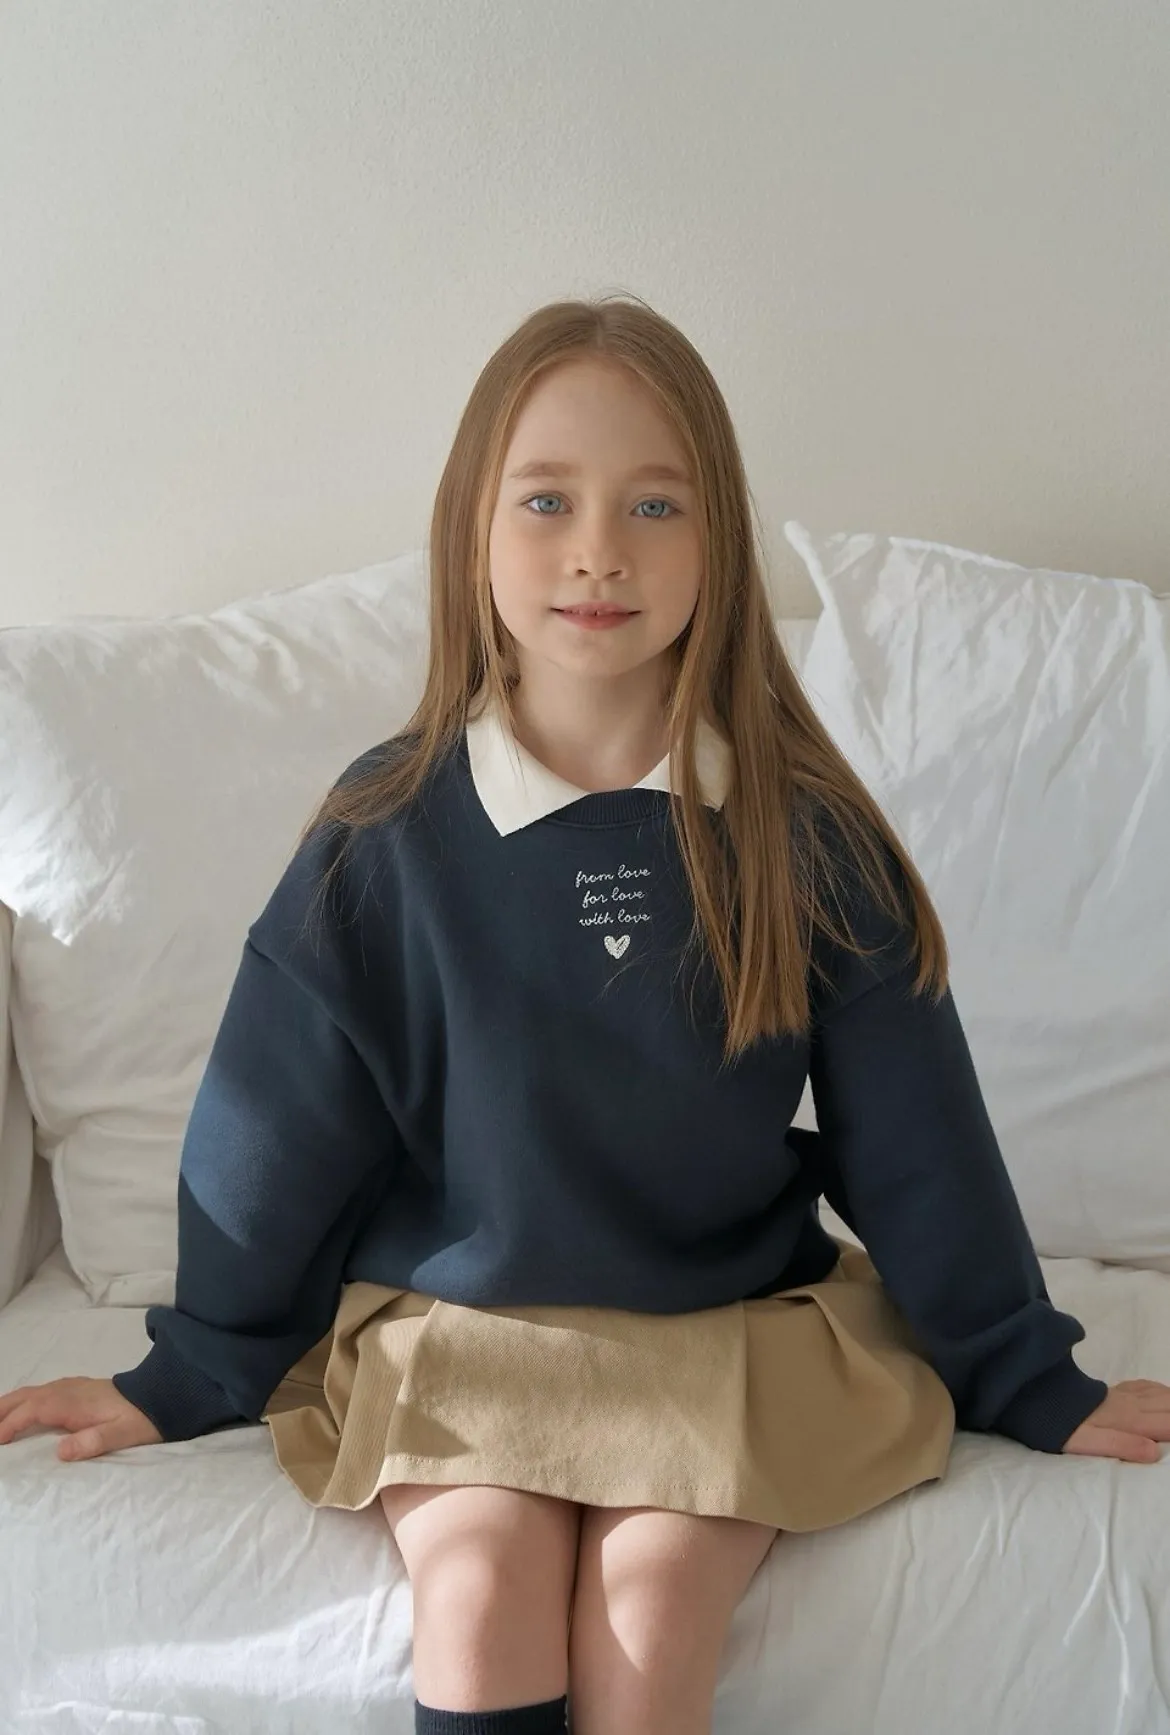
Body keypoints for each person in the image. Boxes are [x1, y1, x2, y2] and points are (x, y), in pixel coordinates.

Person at [1, 294, 1167, 1735]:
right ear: (472, 532)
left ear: (717, 539)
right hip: (463, 1328)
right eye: (546, 499)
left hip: (724, 1327)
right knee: (479, 1583)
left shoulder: (801, 833)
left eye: (653, 504)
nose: (598, 549)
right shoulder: (386, 832)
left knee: (653, 1600)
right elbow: (275, 1127)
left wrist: (1030, 1377)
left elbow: (918, 1142)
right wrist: (187, 1372)